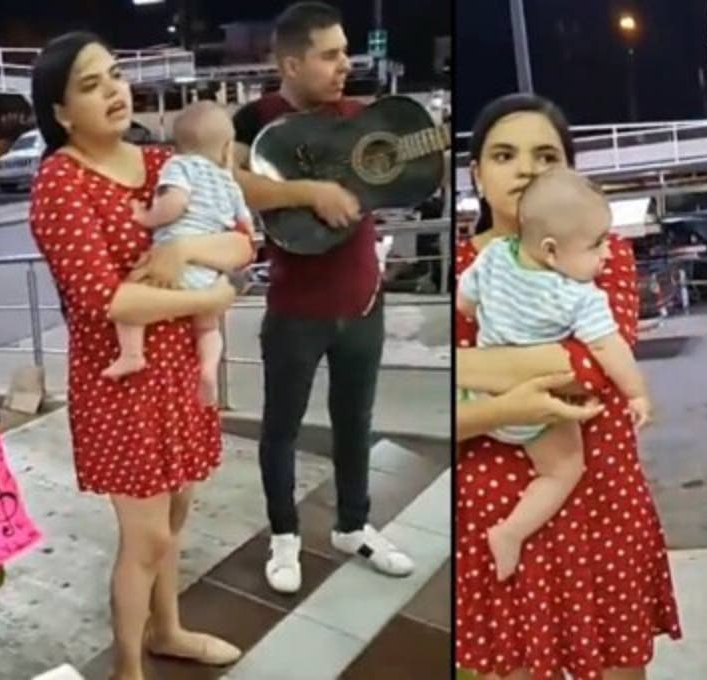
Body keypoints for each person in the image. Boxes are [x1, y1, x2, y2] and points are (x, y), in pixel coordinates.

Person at [29, 33, 253, 679]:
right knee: (147, 534)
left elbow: (241, 242)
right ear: (62, 112)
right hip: (118, 382)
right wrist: (208, 293)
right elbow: (106, 299)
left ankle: (169, 631)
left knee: (178, 511)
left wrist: (186, 256)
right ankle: (128, 668)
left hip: (180, 372)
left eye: (117, 74)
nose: (114, 91)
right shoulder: (60, 183)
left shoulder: (163, 163)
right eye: (91, 85)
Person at [455, 93, 681, 680]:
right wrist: (506, 403)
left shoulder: (604, 257)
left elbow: (593, 366)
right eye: (504, 155)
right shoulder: (463, 266)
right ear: (477, 174)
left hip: (603, 504)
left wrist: (470, 368)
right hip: (494, 511)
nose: (527, 168)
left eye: (546, 156)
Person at [229, 1, 413, 594]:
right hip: (294, 310)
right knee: (281, 428)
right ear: (290, 62)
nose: (344, 65)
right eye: (329, 55)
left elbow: (406, 168)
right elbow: (226, 179)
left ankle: (353, 525)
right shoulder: (255, 119)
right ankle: (284, 538)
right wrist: (310, 190)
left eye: (345, 52)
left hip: (362, 301)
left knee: (354, 422)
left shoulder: (357, 117)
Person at [457, 167, 652, 582]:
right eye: (595, 245)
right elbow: (607, 349)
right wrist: (636, 393)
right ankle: (510, 532)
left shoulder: (493, 256)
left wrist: (488, 316)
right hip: (532, 414)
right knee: (564, 470)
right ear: (551, 251)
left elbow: (465, 301)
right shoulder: (577, 297)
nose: (605, 255)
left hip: (480, 398)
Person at [103, 101, 254, 410]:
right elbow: (246, 230)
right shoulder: (229, 182)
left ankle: (132, 354)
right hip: (210, 271)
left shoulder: (180, 165)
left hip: (174, 264)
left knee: (133, 297)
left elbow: (175, 204)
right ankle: (209, 369)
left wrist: (146, 217)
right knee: (208, 327)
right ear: (227, 150)